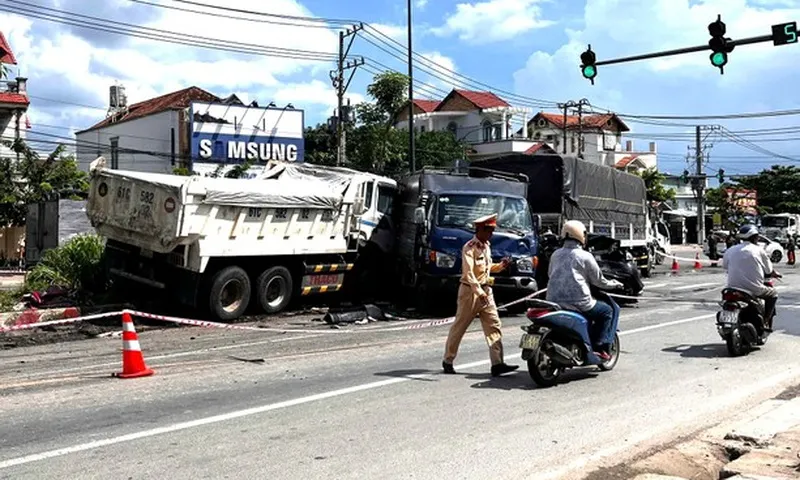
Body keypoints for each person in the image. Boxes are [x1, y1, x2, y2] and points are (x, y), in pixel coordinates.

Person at [442, 213, 519, 377]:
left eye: (492, 231)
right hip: (470, 292)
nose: (491, 234)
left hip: (486, 291)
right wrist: (479, 292)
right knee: (460, 327)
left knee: (494, 326)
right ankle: (448, 360)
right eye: (489, 230)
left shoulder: (486, 246)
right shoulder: (469, 248)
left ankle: (497, 363)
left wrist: (501, 266)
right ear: (480, 230)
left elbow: (487, 267)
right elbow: (469, 274)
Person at [545, 220, 624, 361]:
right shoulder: (585, 256)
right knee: (607, 311)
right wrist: (615, 284)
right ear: (581, 235)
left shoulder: (555, 254)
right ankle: (599, 346)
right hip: (579, 302)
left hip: (553, 300)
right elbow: (599, 281)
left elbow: (550, 274)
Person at [723, 224, 781, 330]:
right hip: (754, 289)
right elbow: (768, 270)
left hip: (732, 287)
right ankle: (766, 321)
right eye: (757, 236)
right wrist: (773, 273)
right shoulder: (759, 250)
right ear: (754, 237)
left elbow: (725, 266)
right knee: (773, 294)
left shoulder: (730, 250)